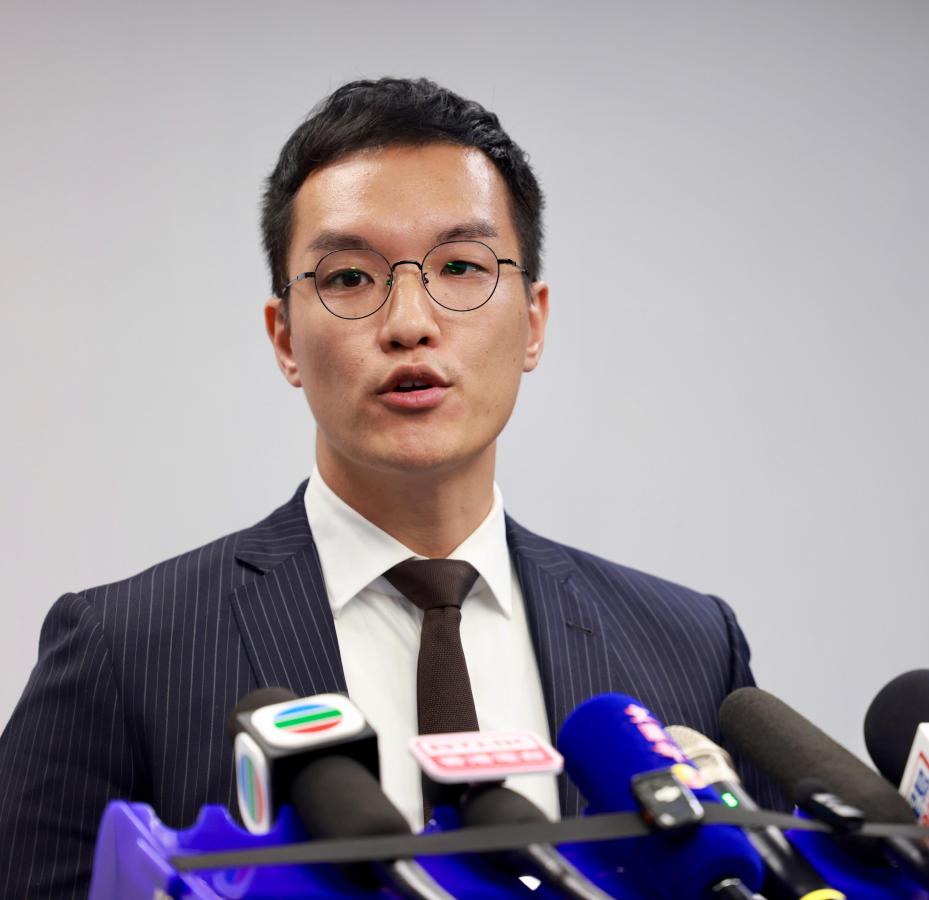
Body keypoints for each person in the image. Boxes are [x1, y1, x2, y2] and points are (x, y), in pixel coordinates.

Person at [0, 77, 781, 898]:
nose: (410, 322)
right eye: (349, 278)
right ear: (284, 338)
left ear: (534, 322)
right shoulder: (127, 652)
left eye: (461, 266)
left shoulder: (689, 646)